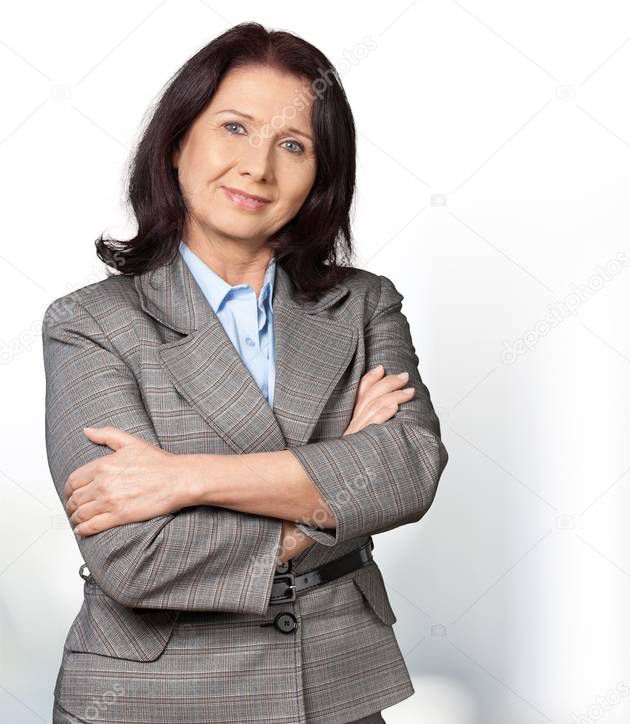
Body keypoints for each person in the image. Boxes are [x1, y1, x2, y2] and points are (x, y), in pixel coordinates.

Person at [42, 22, 448, 723]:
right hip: (152, 701)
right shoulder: (90, 323)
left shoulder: (363, 304)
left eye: (292, 146)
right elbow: (137, 557)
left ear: (320, 175)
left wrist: (183, 478)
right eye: (235, 128)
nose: (257, 167)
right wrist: (338, 487)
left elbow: (408, 470)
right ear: (176, 143)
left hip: (336, 689)